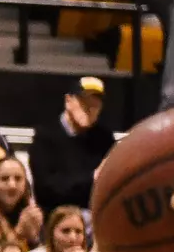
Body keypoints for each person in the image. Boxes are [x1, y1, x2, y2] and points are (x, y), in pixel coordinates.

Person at [30, 77, 114, 213]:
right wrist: (92, 178)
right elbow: (46, 190)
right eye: (84, 102)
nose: (89, 109)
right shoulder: (45, 137)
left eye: (95, 104)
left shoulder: (104, 139)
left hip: (95, 215)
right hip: (56, 216)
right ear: (68, 101)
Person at [0, 157, 44, 251]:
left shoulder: (31, 214)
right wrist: (19, 230)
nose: (12, 185)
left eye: (18, 179)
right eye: (4, 179)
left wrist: (34, 240)